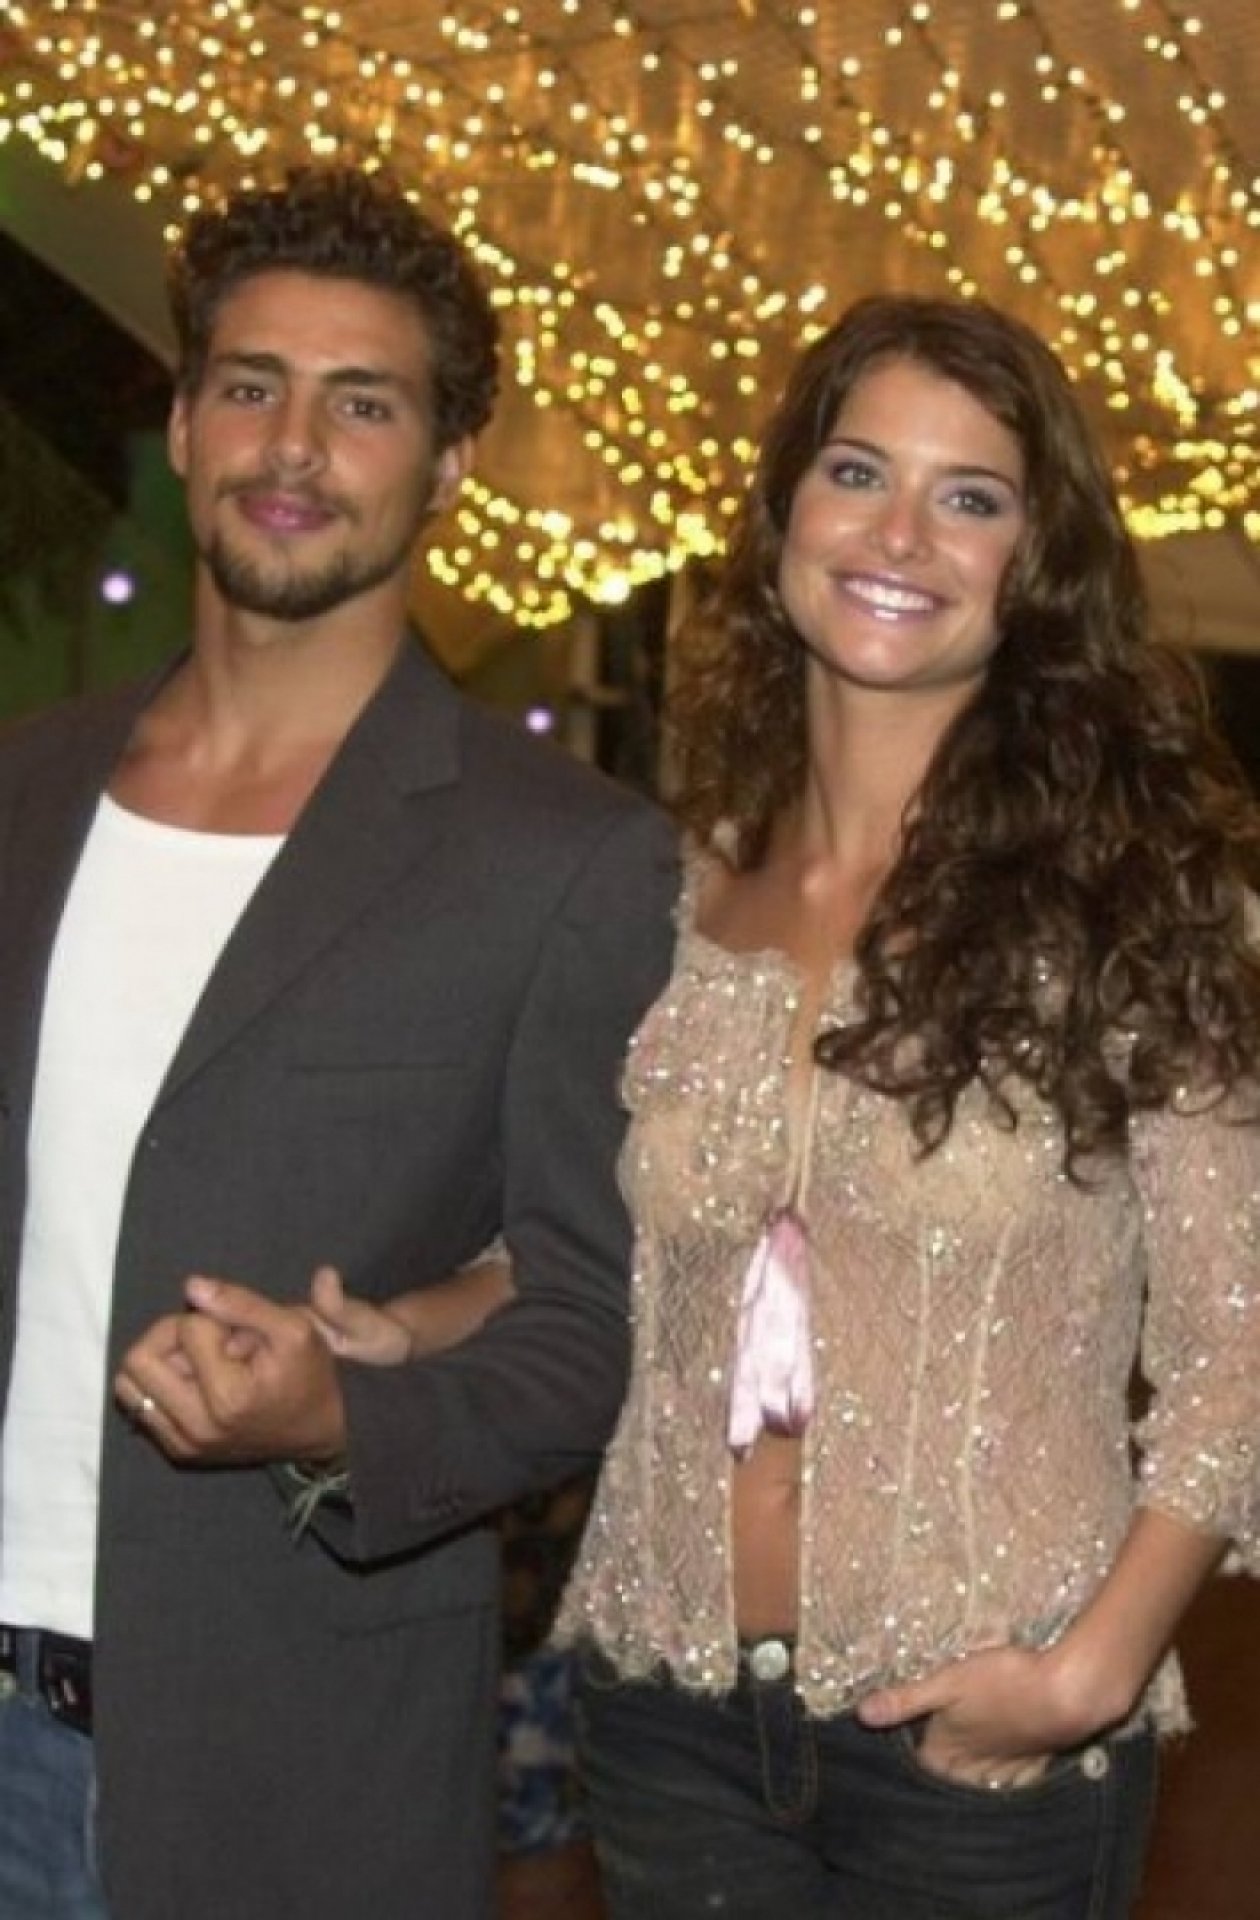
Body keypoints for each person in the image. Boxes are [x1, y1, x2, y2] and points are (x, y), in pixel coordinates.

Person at [328, 292, 1260, 1917]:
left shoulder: (1144, 907)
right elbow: (615, 1254)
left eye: (970, 497)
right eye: (858, 472)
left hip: (990, 1730)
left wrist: (1097, 1666)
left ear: (1034, 565)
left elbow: (1237, 1336)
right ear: (781, 523)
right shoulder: (668, 902)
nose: (901, 533)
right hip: (669, 1721)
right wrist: (410, 1327)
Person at [0, 164, 677, 1920]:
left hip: (282, 1764)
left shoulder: (561, 860)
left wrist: (337, 1417)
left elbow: (594, 1321)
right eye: (253, 384)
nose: (292, 446)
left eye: (362, 404)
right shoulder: (23, 790)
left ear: (447, 466)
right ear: (183, 419)